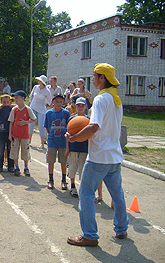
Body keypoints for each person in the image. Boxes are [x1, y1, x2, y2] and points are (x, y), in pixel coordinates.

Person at [66, 63, 129, 247]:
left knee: (85, 193)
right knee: (118, 195)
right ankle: (121, 228)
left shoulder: (101, 100)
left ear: (103, 78)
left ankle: (90, 235)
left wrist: (75, 138)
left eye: (95, 76)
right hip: (114, 156)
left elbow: (94, 127)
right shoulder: (116, 100)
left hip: (99, 157)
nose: (92, 79)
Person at [44, 93, 70, 190]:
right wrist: (51, 134)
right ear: (52, 102)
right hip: (52, 141)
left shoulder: (66, 113)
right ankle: (51, 180)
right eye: (56, 101)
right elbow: (47, 127)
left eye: (60, 101)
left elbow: (69, 127)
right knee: (51, 161)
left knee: (63, 162)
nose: (59, 103)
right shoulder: (49, 113)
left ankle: (64, 180)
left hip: (63, 142)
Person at [64, 97, 89, 198]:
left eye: (82, 105)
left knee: (83, 169)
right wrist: (67, 148)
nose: (80, 107)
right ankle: (73, 186)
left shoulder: (89, 120)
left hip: (84, 147)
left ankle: (83, 188)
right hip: (73, 147)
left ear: (86, 106)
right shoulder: (71, 119)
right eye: (79, 105)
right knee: (73, 167)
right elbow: (67, 134)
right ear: (75, 105)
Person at [8, 90, 37, 176]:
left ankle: (26, 167)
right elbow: (11, 122)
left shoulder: (27, 109)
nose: (15, 99)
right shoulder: (14, 109)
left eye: (17, 98)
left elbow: (34, 119)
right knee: (14, 152)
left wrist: (26, 122)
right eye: (15, 98)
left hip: (24, 135)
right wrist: (10, 134)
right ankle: (16, 167)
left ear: (22, 98)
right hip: (15, 135)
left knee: (25, 152)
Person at [28, 75, 52, 149]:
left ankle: (42, 143)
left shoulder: (47, 90)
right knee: (31, 124)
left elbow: (50, 101)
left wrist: (47, 106)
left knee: (41, 126)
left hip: (41, 109)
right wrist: (28, 105)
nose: (38, 81)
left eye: (40, 80)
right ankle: (29, 141)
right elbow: (31, 96)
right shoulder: (35, 87)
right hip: (33, 107)